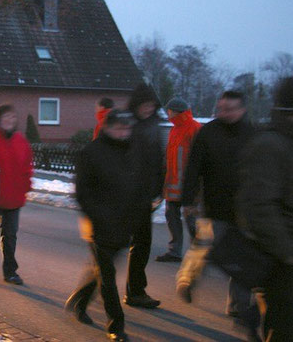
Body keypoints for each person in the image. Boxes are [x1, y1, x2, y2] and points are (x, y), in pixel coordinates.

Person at [181, 90, 258, 327]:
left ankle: (237, 304)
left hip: (246, 207)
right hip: (215, 204)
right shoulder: (209, 132)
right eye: (221, 108)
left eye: (230, 108)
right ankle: (187, 280)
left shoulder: (254, 134)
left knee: (243, 258)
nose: (224, 113)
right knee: (205, 246)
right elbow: (194, 166)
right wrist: (188, 197)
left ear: (242, 109)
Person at [65, 109, 141, 342]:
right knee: (108, 276)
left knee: (102, 271)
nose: (122, 132)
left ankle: (79, 300)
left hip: (123, 223)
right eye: (118, 127)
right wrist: (97, 216)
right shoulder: (92, 152)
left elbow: (137, 185)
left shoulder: (132, 152)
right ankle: (116, 325)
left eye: (126, 128)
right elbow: (82, 192)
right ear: (107, 127)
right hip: (98, 225)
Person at [238, 76, 293, 341]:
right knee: (284, 330)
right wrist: (287, 253)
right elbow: (259, 205)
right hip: (285, 259)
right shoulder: (270, 144)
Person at [124, 83, 163, 309]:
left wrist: (157, 188)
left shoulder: (153, 126)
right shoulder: (128, 126)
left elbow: (157, 161)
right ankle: (89, 291)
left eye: (151, 105)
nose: (148, 109)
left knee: (141, 244)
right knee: (113, 247)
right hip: (128, 194)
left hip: (144, 195)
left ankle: (135, 290)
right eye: (144, 105)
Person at [0, 104, 33, 285]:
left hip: (13, 197)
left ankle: (10, 271)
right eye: (5, 117)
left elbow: (27, 168)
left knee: (9, 237)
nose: (9, 121)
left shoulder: (21, 141)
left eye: (12, 117)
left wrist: (25, 187)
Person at [156, 97, 200, 262]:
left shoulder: (194, 128)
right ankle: (175, 251)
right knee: (172, 216)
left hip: (189, 184)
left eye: (169, 110)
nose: (167, 113)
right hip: (173, 183)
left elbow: (199, 158)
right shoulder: (175, 129)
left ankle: (200, 250)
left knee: (191, 218)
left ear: (175, 111)